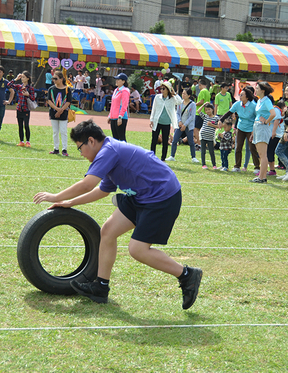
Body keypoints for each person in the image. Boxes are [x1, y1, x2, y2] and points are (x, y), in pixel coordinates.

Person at [33, 119, 203, 308]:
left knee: (137, 250)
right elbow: (102, 191)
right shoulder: (108, 152)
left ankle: (187, 275)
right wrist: (69, 202)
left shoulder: (108, 151)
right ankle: (100, 287)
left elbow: (87, 184)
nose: (80, 153)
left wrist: (55, 196)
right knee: (108, 230)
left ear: (91, 141)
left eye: (80, 148)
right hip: (141, 195)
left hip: (162, 196)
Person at [222, 86, 257, 172]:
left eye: (242, 95)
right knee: (238, 147)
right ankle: (237, 166)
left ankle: (257, 167)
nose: (240, 96)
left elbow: (257, 117)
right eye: (240, 94)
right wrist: (220, 120)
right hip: (241, 128)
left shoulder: (253, 106)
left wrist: (254, 129)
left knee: (252, 148)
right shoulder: (237, 104)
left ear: (247, 97)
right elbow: (229, 112)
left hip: (250, 129)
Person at [250, 81, 276, 183]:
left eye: (257, 88)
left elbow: (273, 113)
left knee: (262, 154)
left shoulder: (266, 101)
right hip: (257, 127)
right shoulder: (260, 100)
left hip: (262, 127)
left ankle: (261, 177)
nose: (255, 90)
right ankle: (263, 176)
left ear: (263, 90)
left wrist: (266, 121)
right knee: (261, 154)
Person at [150, 81, 181, 161]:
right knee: (154, 139)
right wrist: (151, 119)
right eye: (161, 88)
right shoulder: (157, 97)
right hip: (157, 121)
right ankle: (152, 157)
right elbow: (154, 108)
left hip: (166, 123)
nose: (162, 90)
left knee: (165, 141)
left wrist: (174, 93)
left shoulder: (172, 99)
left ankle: (163, 159)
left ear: (168, 89)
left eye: (163, 88)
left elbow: (180, 101)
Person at [167, 88, 199, 163]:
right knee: (175, 140)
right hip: (180, 125)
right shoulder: (180, 103)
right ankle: (172, 156)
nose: (183, 95)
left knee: (191, 141)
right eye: (183, 93)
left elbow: (192, 116)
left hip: (188, 126)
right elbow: (177, 113)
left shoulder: (193, 104)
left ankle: (193, 157)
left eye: (185, 94)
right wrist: (179, 121)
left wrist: (185, 124)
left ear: (189, 95)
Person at [7, 71, 36, 147]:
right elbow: (9, 85)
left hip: (26, 109)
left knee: (26, 125)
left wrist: (28, 95)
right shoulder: (19, 86)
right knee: (20, 126)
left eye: (23, 77)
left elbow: (33, 98)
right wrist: (16, 79)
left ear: (28, 78)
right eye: (21, 77)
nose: (22, 79)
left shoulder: (30, 88)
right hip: (19, 108)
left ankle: (28, 141)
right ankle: (21, 141)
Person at [46, 70, 71, 155]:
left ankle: (64, 149)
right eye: (53, 79)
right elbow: (49, 101)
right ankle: (56, 148)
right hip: (53, 112)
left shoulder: (67, 89)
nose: (54, 80)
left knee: (63, 131)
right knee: (55, 132)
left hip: (64, 113)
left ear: (61, 79)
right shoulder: (51, 89)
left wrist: (61, 110)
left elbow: (68, 102)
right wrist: (57, 109)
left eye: (56, 78)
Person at [196, 102, 219, 169]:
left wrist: (212, 125)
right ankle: (203, 164)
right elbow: (198, 111)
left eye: (209, 109)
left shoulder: (216, 118)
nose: (207, 111)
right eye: (206, 110)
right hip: (203, 136)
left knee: (211, 151)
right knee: (203, 151)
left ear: (212, 109)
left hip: (210, 137)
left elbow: (219, 126)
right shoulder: (205, 116)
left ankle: (214, 165)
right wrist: (203, 105)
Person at [109, 73, 130, 142]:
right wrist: (110, 116)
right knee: (115, 139)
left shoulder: (125, 91)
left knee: (121, 138)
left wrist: (120, 116)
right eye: (116, 79)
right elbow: (113, 104)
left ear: (123, 81)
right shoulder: (116, 90)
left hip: (120, 117)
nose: (116, 81)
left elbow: (124, 105)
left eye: (118, 80)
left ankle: (125, 152)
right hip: (113, 117)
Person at [267, 100, 284, 176]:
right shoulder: (270, 109)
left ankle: (272, 170)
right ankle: (270, 169)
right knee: (268, 152)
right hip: (269, 134)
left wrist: (273, 132)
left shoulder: (275, 109)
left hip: (275, 135)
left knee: (270, 151)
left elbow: (277, 120)